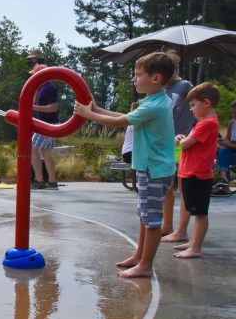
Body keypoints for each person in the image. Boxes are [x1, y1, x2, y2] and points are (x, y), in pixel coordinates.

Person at [75, 51, 177, 279]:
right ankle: (140, 256)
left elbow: (118, 122)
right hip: (151, 168)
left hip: (154, 170)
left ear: (155, 78)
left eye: (138, 74)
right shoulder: (155, 100)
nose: (134, 78)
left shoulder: (155, 106)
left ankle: (146, 265)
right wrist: (96, 108)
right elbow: (124, 116)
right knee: (144, 215)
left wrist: (88, 114)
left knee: (151, 221)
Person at [170, 82, 220, 259]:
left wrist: (179, 139)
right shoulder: (203, 123)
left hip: (198, 174)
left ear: (206, 103)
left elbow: (186, 144)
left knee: (199, 213)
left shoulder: (207, 123)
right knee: (193, 208)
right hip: (191, 172)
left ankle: (195, 247)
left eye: (193, 105)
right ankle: (192, 243)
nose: (191, 109)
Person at [161, 67, 196, 241]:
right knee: (167, 186)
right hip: (166, 142)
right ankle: (167, 226)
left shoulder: (184, 85)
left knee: (183, 187)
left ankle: (182, 230)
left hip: (183, 140)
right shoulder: (160, 90)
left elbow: (197, 103)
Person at [29, 62, 60, 190]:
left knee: (31, 148)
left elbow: (53, 108)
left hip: (48, 124)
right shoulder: (42, 88)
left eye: (35, 75)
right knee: (45, 151)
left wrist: (34, 107)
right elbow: (34, 101)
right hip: (46, 123)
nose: (33, 78)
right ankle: (52, 182)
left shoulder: (49, 88)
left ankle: (39, 179)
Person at [213, 100, 236, 194]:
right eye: (232, 112)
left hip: (233, 149)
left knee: (223, 153)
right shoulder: (232, 123)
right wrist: (222, 141)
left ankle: (224, 182)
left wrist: (228, 144)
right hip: (231, 150)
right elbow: (227, 138)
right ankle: (223, 179)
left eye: (235, 113)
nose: (233, 115)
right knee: (222, 151)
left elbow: (229, 144)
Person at [121, 102, 139, 191]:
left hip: (126, 153)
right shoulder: (136, 120)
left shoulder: (130, 120)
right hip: (131, 153)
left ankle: (137, 183)